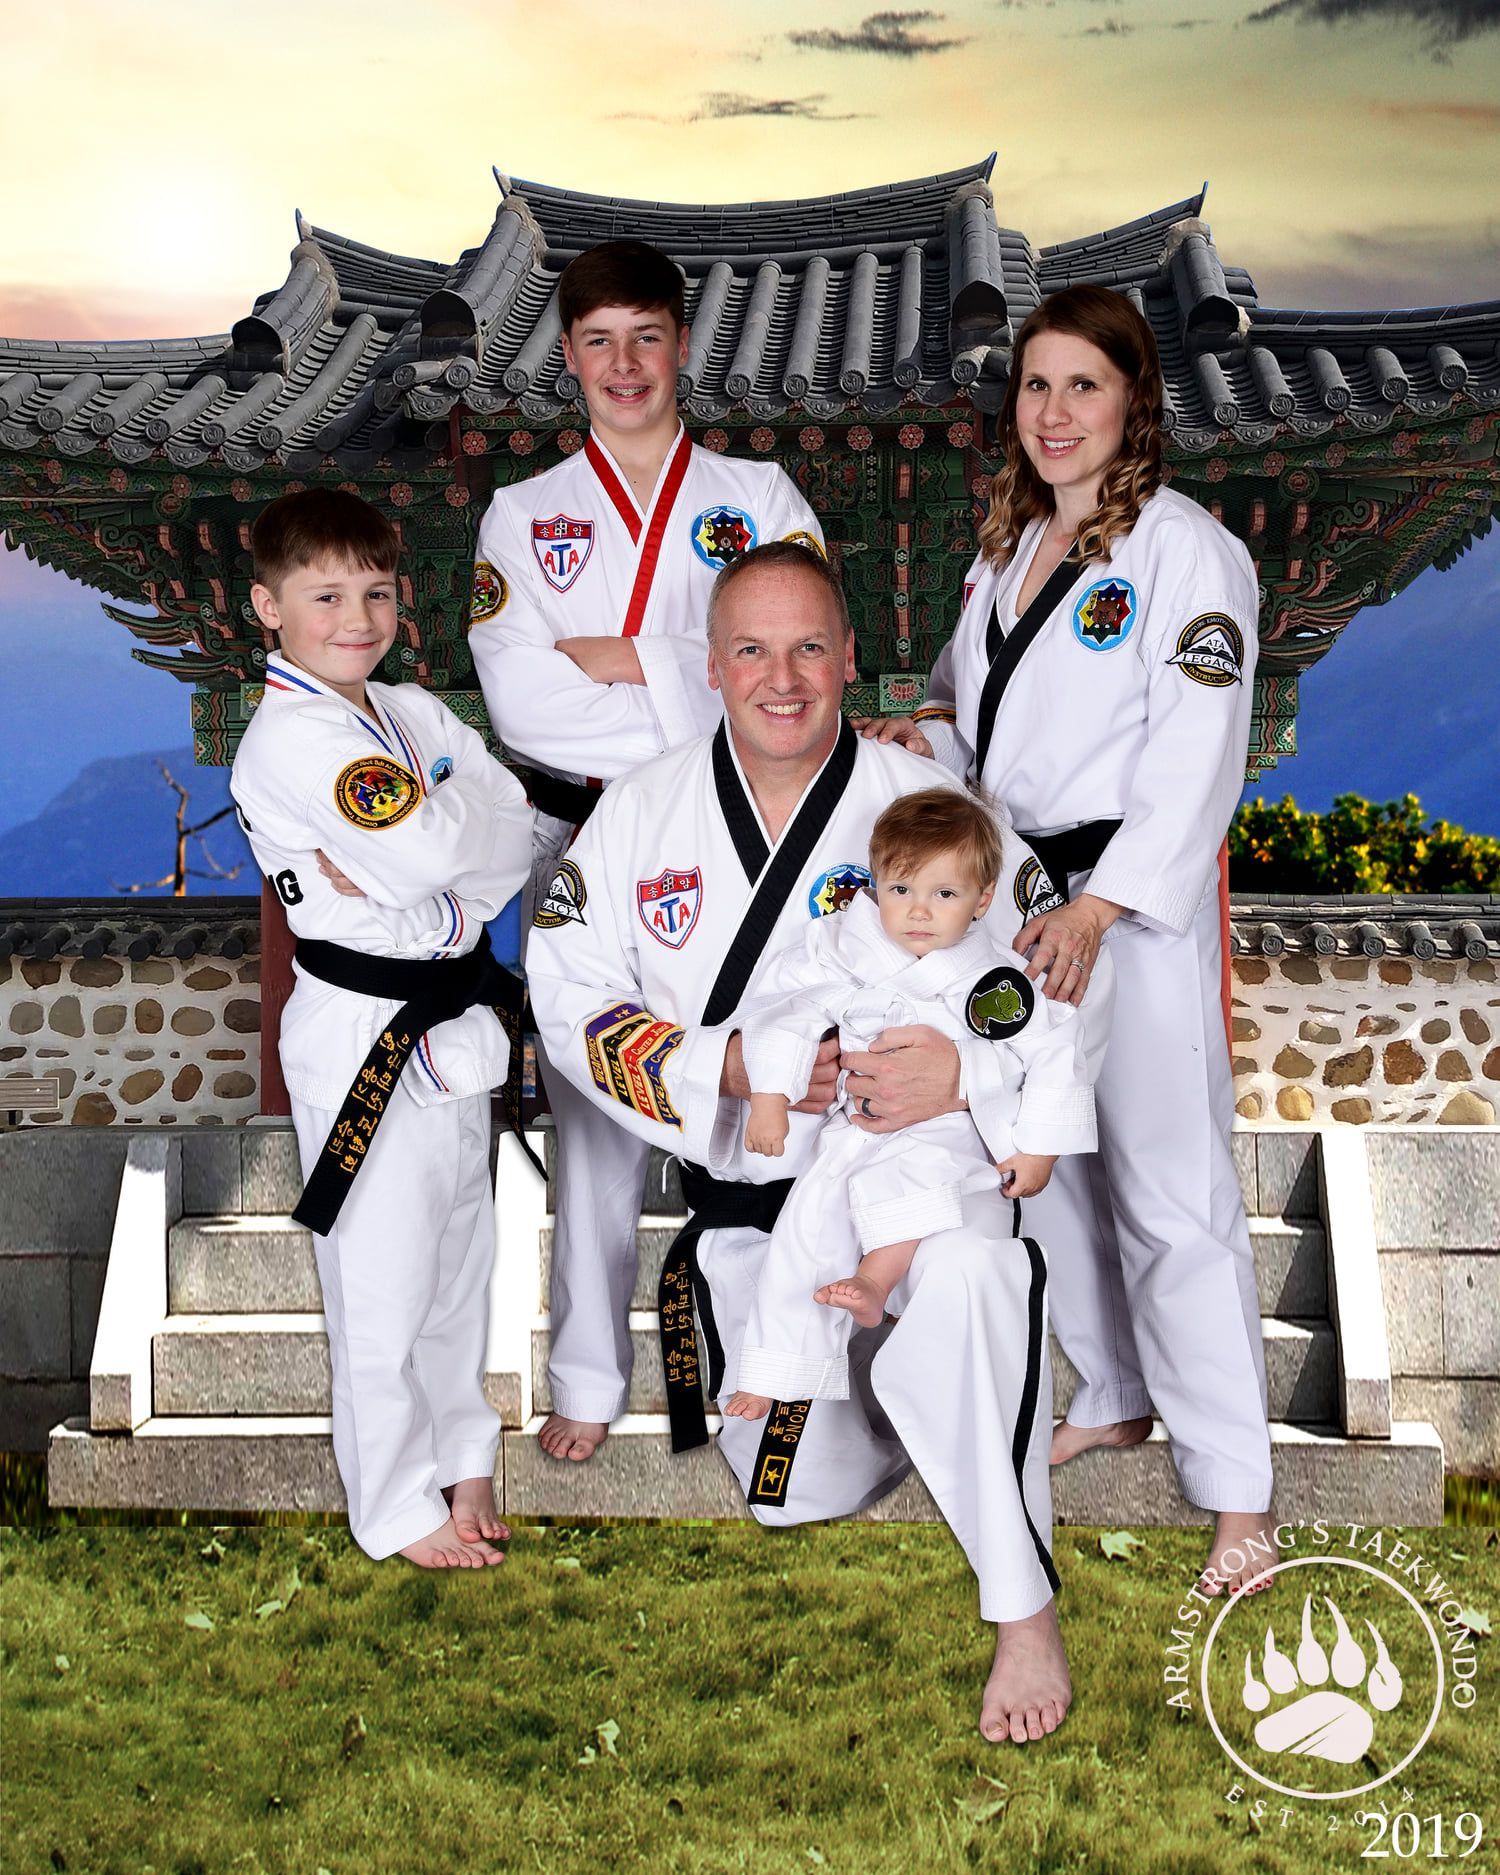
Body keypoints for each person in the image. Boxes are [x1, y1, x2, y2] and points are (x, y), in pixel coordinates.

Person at [528, 539, 1098, 1745]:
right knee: (796, 1492)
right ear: (711, 665)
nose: (779, 679)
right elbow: (568, 1002)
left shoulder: (932, 810)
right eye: (750, 650)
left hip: (922, 1185)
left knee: (977, 1276)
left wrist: (969, 1074)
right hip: (763, 1218)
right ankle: (921, 1399)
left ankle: (1024, 1609)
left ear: (848, 660)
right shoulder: (638, 812)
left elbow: (1050, 982)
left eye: (806, 649)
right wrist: (734, 1066)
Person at [863, 283, 1273, 1594]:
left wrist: (1106, 903)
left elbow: (1199, 746)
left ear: (1133, 401)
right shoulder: (1007, 553)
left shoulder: (1186, 553)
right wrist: (919, 736)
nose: (1054, 412)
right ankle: (1114, 1388)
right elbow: (968, 715)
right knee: (1045, 1166)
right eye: (1036, 386)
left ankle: (1239, 1496)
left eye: (1082, 385)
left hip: (1122, 908)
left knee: (1168, 1188)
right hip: (1017, 902)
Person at [467, 239, 825, 1464]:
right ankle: (586, 1377)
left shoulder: (761, 499)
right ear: (569, 357)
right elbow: (524, 709)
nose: (625, 365)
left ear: (682, 344)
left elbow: (792, 675)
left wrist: (627, 657)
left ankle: (773, 1371)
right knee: (595, 1117)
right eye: (599, 342)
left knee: (764, 1095)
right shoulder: (523, 517)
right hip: (582, 836)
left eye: (647, 337)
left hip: (741, 835)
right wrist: (701, 672)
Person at [231, 489, 532, 1569]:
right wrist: (447, 848)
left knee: (457, 1264)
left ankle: (463, 1455)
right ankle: (396, 1509)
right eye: (325, 596)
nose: (357, 618)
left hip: (447, 1024)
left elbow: (508, 826)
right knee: (382, 1284)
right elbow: (438, 852)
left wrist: (443, 858)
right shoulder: (290, 740)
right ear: (269, 607)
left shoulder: (407, 710)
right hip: (365, 1031)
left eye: (375, 591)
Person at [726, 788, 1095, 1417]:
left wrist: (1039, 1149)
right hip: (855, 1128)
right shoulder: (838, 948)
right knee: (805, 1225)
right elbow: (784, 1014)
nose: (919, 911)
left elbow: (1055, 1046)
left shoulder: (995, 978)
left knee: (910, 1176)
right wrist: (769, 1098)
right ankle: (776, 1369)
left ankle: (876, 1280)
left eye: (944, 894)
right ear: (875, 884)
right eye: (900, 890)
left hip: (944, 1130)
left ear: (983, 899)